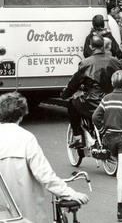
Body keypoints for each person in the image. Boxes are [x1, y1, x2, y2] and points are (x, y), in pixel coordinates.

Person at [0, 92, 89, 223]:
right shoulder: (26, 139)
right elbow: (44, 174)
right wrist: (70, 193)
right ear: (21, 115)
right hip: (25, 215)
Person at [92, 71, 122, 222]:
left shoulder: (106, 99)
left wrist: (102, 130)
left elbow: (95, 117)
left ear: (112, 84)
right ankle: (120, 210)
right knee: (121, 172)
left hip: (109, 138)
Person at [61, 35, 122, 149]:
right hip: (112, 100)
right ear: (103, 46)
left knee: (72, 105)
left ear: (91, 47)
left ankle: (78, 137)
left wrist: (65, 94)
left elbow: (74, 83)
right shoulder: (115, 61)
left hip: (92, 101)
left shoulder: (85, 63)